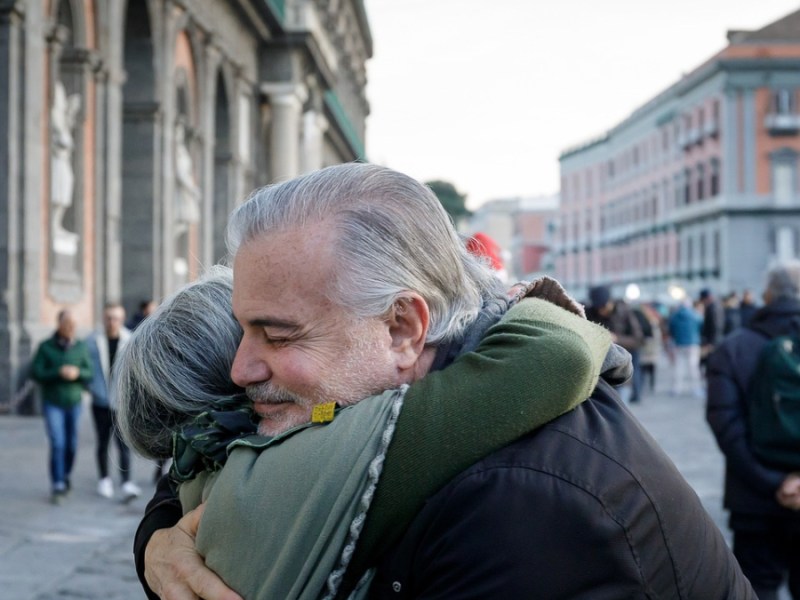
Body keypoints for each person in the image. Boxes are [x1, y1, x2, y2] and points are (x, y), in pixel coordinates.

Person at [134, 163, 754, 599]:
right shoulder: (353, 407)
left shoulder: (526, 504)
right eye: (244, 329)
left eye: (280, 335)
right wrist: (160, 544)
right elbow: (213, 459)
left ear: (404, 328)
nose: (241, 369)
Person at [116, 265, 615, 599]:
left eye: (276, 335)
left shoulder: (216, 470)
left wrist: (155, 542)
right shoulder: (323, 452)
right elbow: (556, 354)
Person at [707, 261, 800, 600]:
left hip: (754, 500)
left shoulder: (734, 347)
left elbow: (726, 426)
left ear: (767, 295)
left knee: (757, 589)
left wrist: (776, 483)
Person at [30, 309, 93, 503]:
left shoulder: (81, 347)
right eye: (68, 324)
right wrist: (58, 372)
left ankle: (65, 474)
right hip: (53, 402)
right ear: (59, 324)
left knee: (72, 444)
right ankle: (57, 482)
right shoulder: (45, 346)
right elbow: (36, 372)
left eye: (74, 325)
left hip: (74, 401)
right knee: (58, 442)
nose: (71, 328)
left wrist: (77, 373)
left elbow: (89, 372)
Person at [85, 303, 141, 501]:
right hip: (100, 401)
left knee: (123, 443)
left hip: (121, 401)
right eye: (109, 317)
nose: (112, 322)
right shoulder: (92, 340)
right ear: (103, 318)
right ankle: (104, 479)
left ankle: (126, 482)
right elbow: (85, 367)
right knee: (102, 442)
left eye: (116, 318)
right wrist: (91, 387)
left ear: (122, 319)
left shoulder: (130, 340)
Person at [585, 284, 645, 403]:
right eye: (598, 307)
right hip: (604, 364)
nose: (601, 310)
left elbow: (638, 339)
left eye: (603, 306)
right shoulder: (591, 312)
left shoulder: (625, 312)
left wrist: (617, 339)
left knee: (622, 398)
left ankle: (636, 394)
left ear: (610, 302)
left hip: (625, 357)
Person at [668, 298, 704, 398]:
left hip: (679, 343)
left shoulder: (675, 316)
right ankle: (696, 388)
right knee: (693, 367)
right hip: (693, 343)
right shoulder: (695, 315)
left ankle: (676, 388)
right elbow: (701, 326)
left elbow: (671, 329)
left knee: (678, 366)